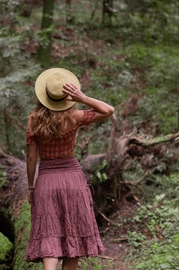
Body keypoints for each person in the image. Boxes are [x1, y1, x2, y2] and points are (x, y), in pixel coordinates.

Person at [25, 68, 114, 270]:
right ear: (66, 98)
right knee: (72, 233)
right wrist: (83, 98)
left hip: (46, 180)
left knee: (49, 232)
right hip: (72, 180)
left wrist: (31, 187)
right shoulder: (75, 117)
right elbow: (108, 110)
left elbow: (31, 157)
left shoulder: (33, 120)